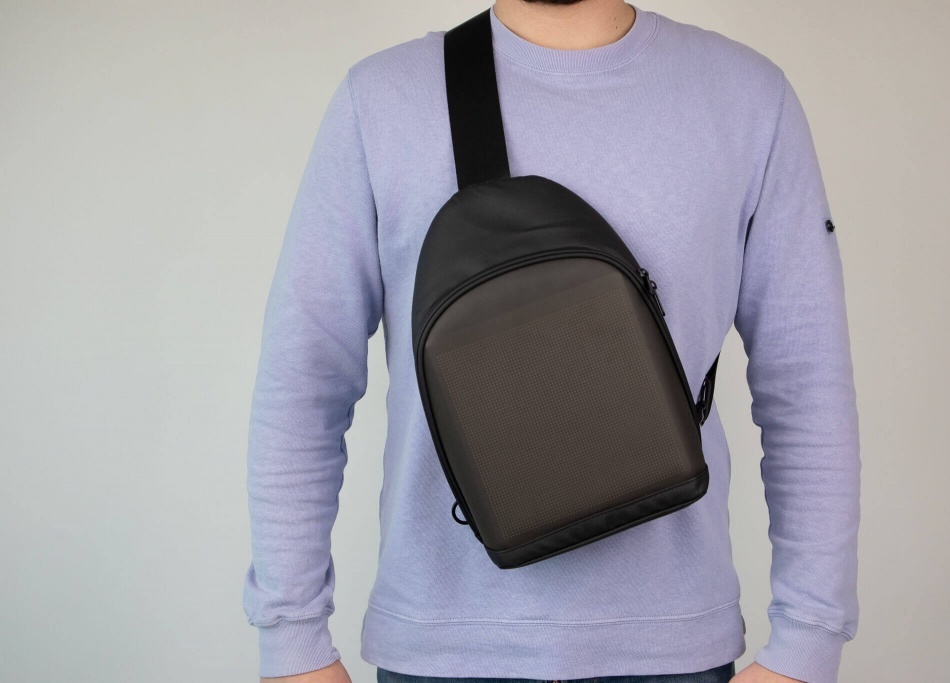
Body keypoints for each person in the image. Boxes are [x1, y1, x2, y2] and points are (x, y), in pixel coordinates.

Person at [242, 0, 861, 682]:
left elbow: (806, 384)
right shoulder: (381, 100)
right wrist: (293, 640)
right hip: (441, 651)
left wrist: (806, 645)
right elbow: (304, 381)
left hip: (674, 650)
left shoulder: (747, 97)